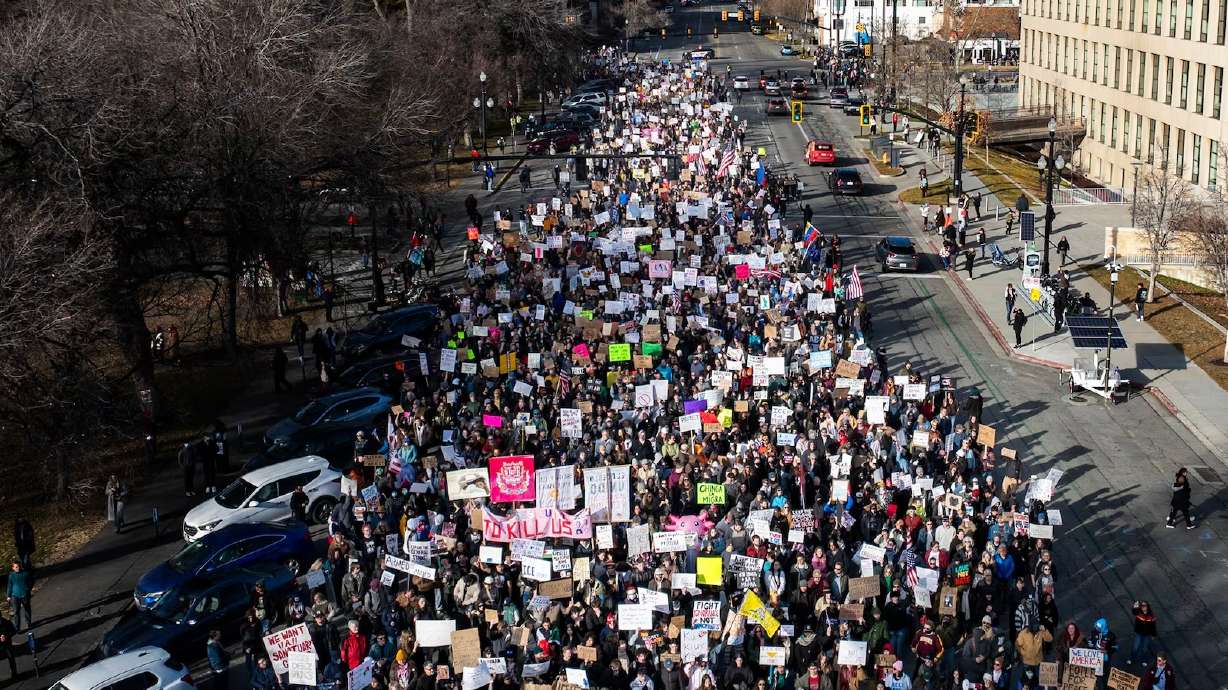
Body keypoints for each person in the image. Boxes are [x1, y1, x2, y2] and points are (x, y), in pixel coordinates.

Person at [1128, 600, 1157, 666]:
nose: (1143, 607)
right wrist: (1135, 606)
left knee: (1144, 649)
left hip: (1147, 634)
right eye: (1142, 606)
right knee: (1135, 647)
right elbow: (1134, 611)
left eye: (1144, 606)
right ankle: (1131, 659)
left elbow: (1153, 626)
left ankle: (1144, 660)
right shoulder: (1138, 613)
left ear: (1147, 607)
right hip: (1139, 633)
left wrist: (1153, 635)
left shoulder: (1151, 616)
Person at [6, 562, 31, 633]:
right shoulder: (11, 576)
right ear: (13, 568)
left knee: (27, 609)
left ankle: (28, 623)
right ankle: (17, 628)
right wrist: (8, 595)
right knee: (16, 612)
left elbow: (31, 582)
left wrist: (28, 589)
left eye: (19, 566)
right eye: (16, 567)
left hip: (24, 595)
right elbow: (9, 586)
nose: (18, 568)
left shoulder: (25, 574)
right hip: (15, 596)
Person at [0, 613, 14, 681]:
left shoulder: (6, 622)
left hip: (7, 644)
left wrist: (6, 636)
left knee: (11, 657)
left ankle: (14, 674)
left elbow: (13, 631)